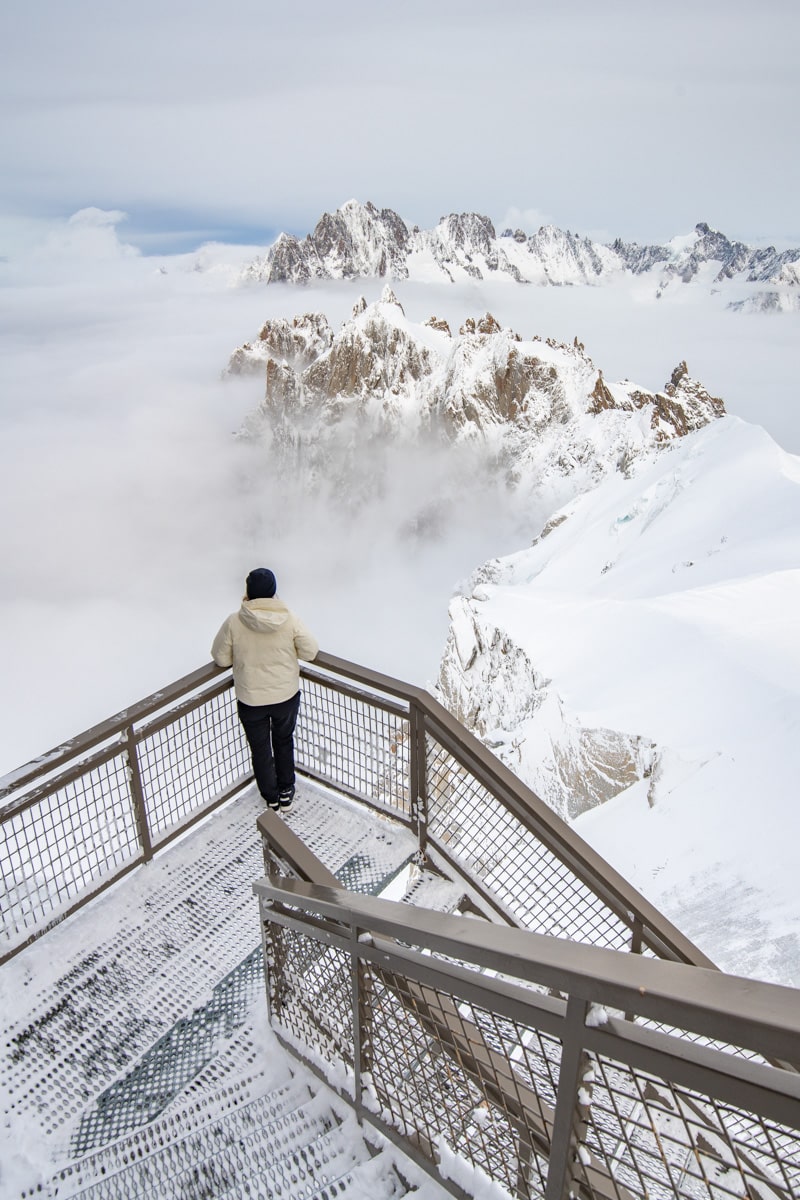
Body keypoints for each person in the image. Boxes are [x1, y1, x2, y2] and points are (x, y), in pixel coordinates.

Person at [211, 568, 319, 812]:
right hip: (285, 696)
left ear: (248, 593)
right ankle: (286, 792)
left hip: (251, 698)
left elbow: (220, 658)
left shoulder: (234, 622)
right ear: (273, 592)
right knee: (283, 741)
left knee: (260, 748)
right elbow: (310, 651)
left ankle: (270, 796)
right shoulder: (289, 618)